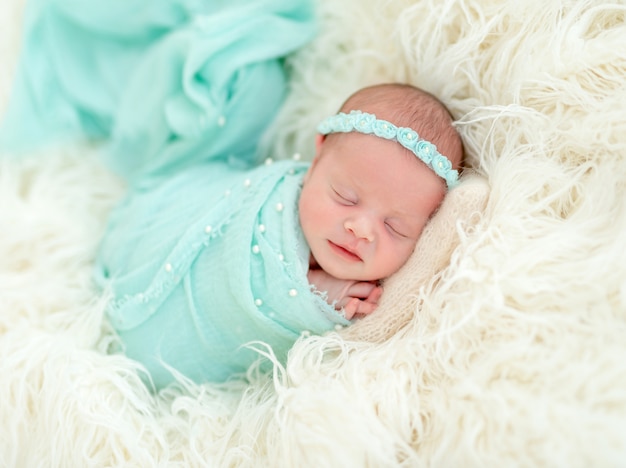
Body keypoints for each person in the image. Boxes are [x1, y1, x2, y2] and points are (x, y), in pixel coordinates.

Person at [95, 83, 463, 389]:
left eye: (395, 227)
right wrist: (317, 286)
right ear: (317, 159)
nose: (361, 229)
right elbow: (239, 255)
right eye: (345, 197)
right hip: (170, 225)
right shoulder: (279, 198)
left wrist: (317, 301)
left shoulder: (369, 297)